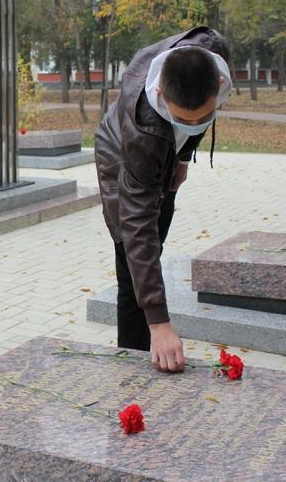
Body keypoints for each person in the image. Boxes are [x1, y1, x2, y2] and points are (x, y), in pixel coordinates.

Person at [94, 26, 231, 372]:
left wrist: (183, 158)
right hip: (120, 157)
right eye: (185, 120)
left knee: (155, 244)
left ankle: (151, 327)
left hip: (167, 153)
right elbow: (138, 224)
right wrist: (160, 322)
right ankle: (133, 362)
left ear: (220, 84)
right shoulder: (145, 130)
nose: (197, 124)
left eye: (205, 117)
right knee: (133, 256)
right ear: (159, 92)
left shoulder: (211, 53)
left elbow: (194, 119)